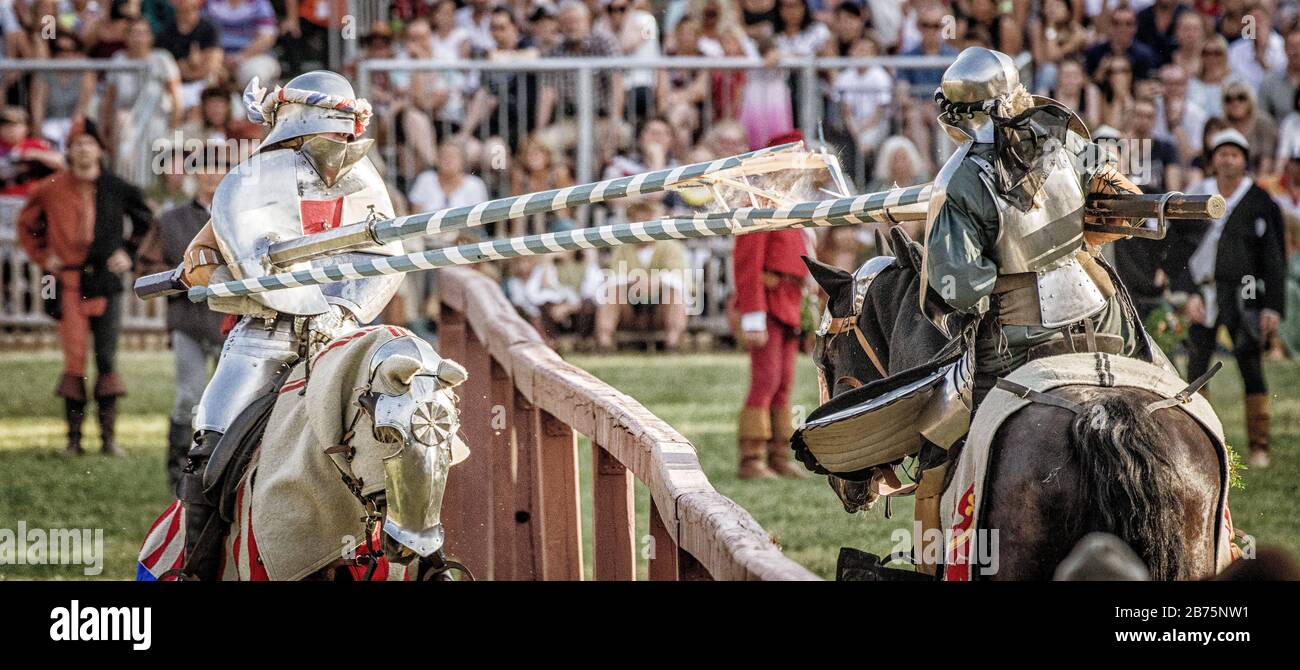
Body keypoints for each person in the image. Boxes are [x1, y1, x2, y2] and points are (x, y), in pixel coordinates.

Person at [175, 70, 406, 579]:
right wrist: (247, 284)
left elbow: (386, 257)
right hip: (265, 338)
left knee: (402, 425)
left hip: (342, 339)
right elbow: (225, 261)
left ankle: (419, 550)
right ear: (301, 127)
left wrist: (342, 311)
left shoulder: (364, 184)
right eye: (335, 132)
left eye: (350, 134)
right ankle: (197, 565)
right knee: (210, 442)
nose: (344, 145)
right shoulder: (252, 183)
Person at [17, 123, 153, 457]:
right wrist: (43, 255)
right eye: (76, 143)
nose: (83, 149)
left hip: (106, 282)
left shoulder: (116, 187)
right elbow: (27, 224)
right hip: (67, 281)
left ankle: (108, 439)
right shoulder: (50, 187)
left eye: (89, 143)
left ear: (100, 149)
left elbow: (145, 220)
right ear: (68, 149)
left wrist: (128, 252)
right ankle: (74, 441)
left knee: (106, 358)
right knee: (74, 360)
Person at [1176, 129, 1286, 468]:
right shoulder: (1197, 195)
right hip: (1204, 291)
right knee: (1196, 367)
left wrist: (1273, 305)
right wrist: (1188, 292)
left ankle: (1259, 447)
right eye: (1221, 153)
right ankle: (1196, 443)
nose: (1228, 159)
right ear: (1213, 159)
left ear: (1244, 159)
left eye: (1234, 153)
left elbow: (1274, 256)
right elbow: (1179, 248)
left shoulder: (1260, 201)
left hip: (1246, 291)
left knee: (1250, 362)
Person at [138, 145, 229, 493]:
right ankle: (179, 473)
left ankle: (223, 472)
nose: (211, 175)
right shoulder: (171, 219)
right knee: (188, 397)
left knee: (232, 400)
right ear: (195, 175)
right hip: (188, 321)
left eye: (219, 169)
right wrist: (184, 275)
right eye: (205, 169)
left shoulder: (240, 217)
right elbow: (147, 265)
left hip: (230, 322)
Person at [732, 130, 813, 480]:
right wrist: (752, 314)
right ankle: (751, 458)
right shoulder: (757, 205)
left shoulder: (793, 207)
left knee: (784, 383)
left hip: (791, 303)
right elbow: (747, 265)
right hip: (768, 303)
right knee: (765, 380)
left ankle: (779, 453)